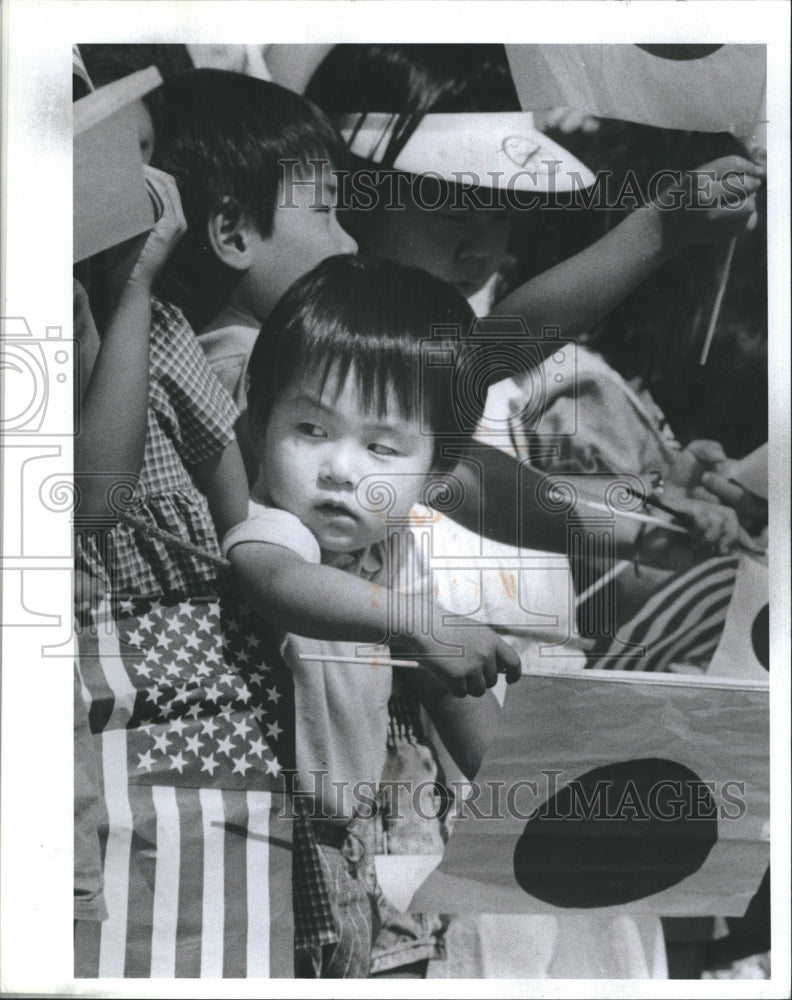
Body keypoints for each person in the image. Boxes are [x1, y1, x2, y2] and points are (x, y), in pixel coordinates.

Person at [220, 255, 522, 976]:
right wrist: (419, 623)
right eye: (311, 429)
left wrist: (519, 782)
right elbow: (275, 583)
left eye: (382, 447)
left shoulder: (395, 550)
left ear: (437, 472)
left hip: (356, 841)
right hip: (275, 841)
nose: (341, 469)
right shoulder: (275, 527)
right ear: (261, 421)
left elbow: (447, 692)